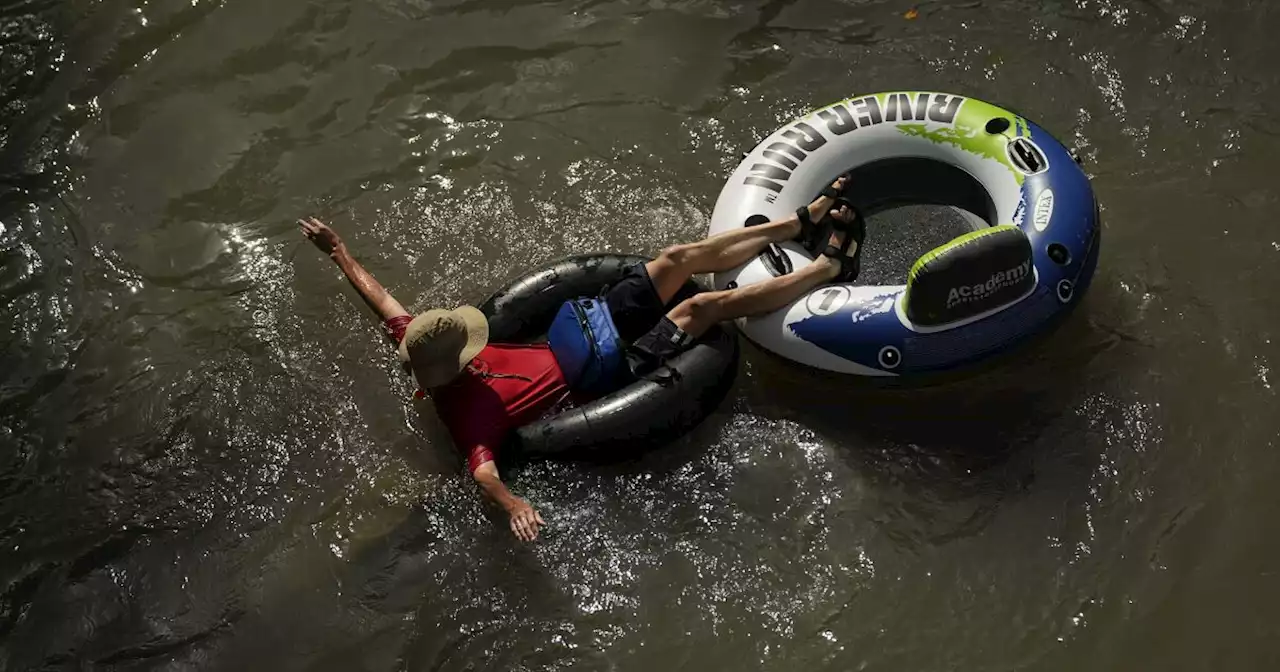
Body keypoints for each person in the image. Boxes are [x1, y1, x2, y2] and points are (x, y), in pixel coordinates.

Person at [299, 174, 863, 542]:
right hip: (610, 371)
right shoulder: (468, 415)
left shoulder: (420, 342)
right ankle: (829, 270)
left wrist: (340, 251)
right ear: (454, 365)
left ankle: (799, 225)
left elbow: (380, 299)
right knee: (704, 310)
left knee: (676, 259)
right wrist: (514, 504)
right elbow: (482, 470)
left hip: (585, 330)